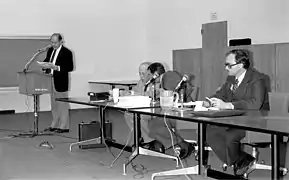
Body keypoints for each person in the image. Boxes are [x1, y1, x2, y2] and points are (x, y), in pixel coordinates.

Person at [204, 49, 269, 176]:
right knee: (210, 132)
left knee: (230, 136)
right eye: (225, 65)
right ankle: (241, 159)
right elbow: (221, 94)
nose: (226, 68)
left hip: (254, 120)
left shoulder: (258, 79)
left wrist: (228, 105)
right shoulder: (232, 78)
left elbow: (255, 103)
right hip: (235, 118)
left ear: (240, 65)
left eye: (229, 65)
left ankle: (238, 160)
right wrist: (211, 101)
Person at [148, 70, 195, 159]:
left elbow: (175, 94)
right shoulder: (166, 78)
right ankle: (181, 143)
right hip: (175, 110)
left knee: (154, 125)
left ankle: (182, 144)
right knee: (153, 124)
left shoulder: (169, 76)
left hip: (182, 111)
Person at [41, 33, 74, 133]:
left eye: (55, 42)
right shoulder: (51, 50)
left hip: (61, 81)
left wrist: (57, 68)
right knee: (54, 104)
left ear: (61, 41)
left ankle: (64, 126)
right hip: (52, 79)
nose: (53, 44)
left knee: (62, 104)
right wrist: (43, 65)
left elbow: (70, 67)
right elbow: (47, 60)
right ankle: (54, 124)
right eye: (52, 42)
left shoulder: (67, 52)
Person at [124, 62, 155, 146]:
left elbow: (150, 95)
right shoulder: (141, 82)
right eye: (139, 73)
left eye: (143, 73)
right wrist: (124, 93)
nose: (141, 76)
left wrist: (136, 94)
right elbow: (135, 91)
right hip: (143, 107)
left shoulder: (156, 82)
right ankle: (139, 136)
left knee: (140, 116)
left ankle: (149, 140)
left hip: (155, 109)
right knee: (128, 114)